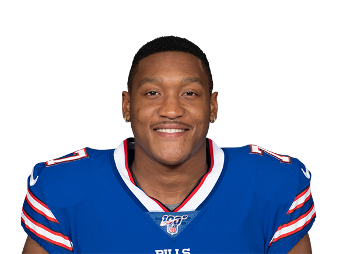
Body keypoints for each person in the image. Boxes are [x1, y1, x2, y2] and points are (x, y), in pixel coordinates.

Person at [21, 36, 315, 254]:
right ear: (127, 104)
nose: (171, 109)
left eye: (189, 92)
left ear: (212, 106)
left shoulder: (275, 183)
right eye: (152, 93)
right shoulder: (62, 186)